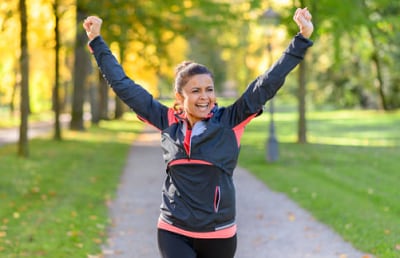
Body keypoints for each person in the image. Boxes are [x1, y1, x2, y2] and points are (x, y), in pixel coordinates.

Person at [83, 7, 313, 258]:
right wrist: (97, 41)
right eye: (196, 91)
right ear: (180, 98)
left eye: (209, 89)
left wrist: (301, 39)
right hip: (173, 228)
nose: (205, 97)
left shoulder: (230, 121)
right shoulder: (167, 120)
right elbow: (123, 85)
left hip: (218, 233)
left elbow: (267, 82)